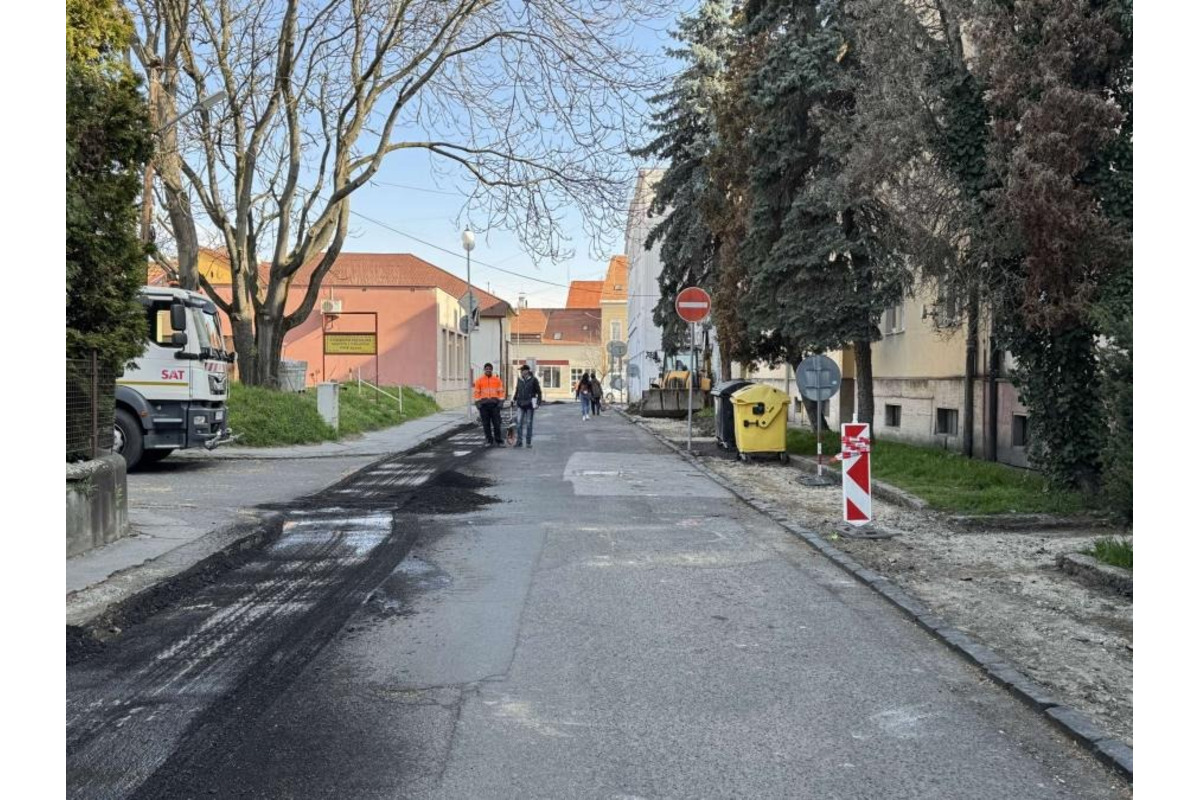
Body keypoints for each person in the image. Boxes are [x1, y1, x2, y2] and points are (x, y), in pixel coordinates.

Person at [473, 362, 506, 446]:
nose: (488, 370)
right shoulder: (479, 380)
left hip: (495, 405)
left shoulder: (497, 380)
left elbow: (501, 392)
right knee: (486, 424)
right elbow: (476, 393)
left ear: (492, 370)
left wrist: (501, 403)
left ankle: (498, 440)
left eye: (489, 369)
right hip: (483, 406)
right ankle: (489, 440)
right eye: (486, 369)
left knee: (497, 423)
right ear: (484, 370)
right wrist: (478, 404)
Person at [512, 364, 543, 448]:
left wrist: (538, 403)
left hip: (530, 404)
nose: (521, 372)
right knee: (519, 424)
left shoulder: (533, 380)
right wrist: (514, 399)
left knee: (529, 424)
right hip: (520, 404)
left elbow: (539, 392)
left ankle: (528, 442)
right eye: (521, 371)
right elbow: (517, 390)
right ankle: (519, 441)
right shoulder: (519, 379)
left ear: (527, 371)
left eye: (522, 370)